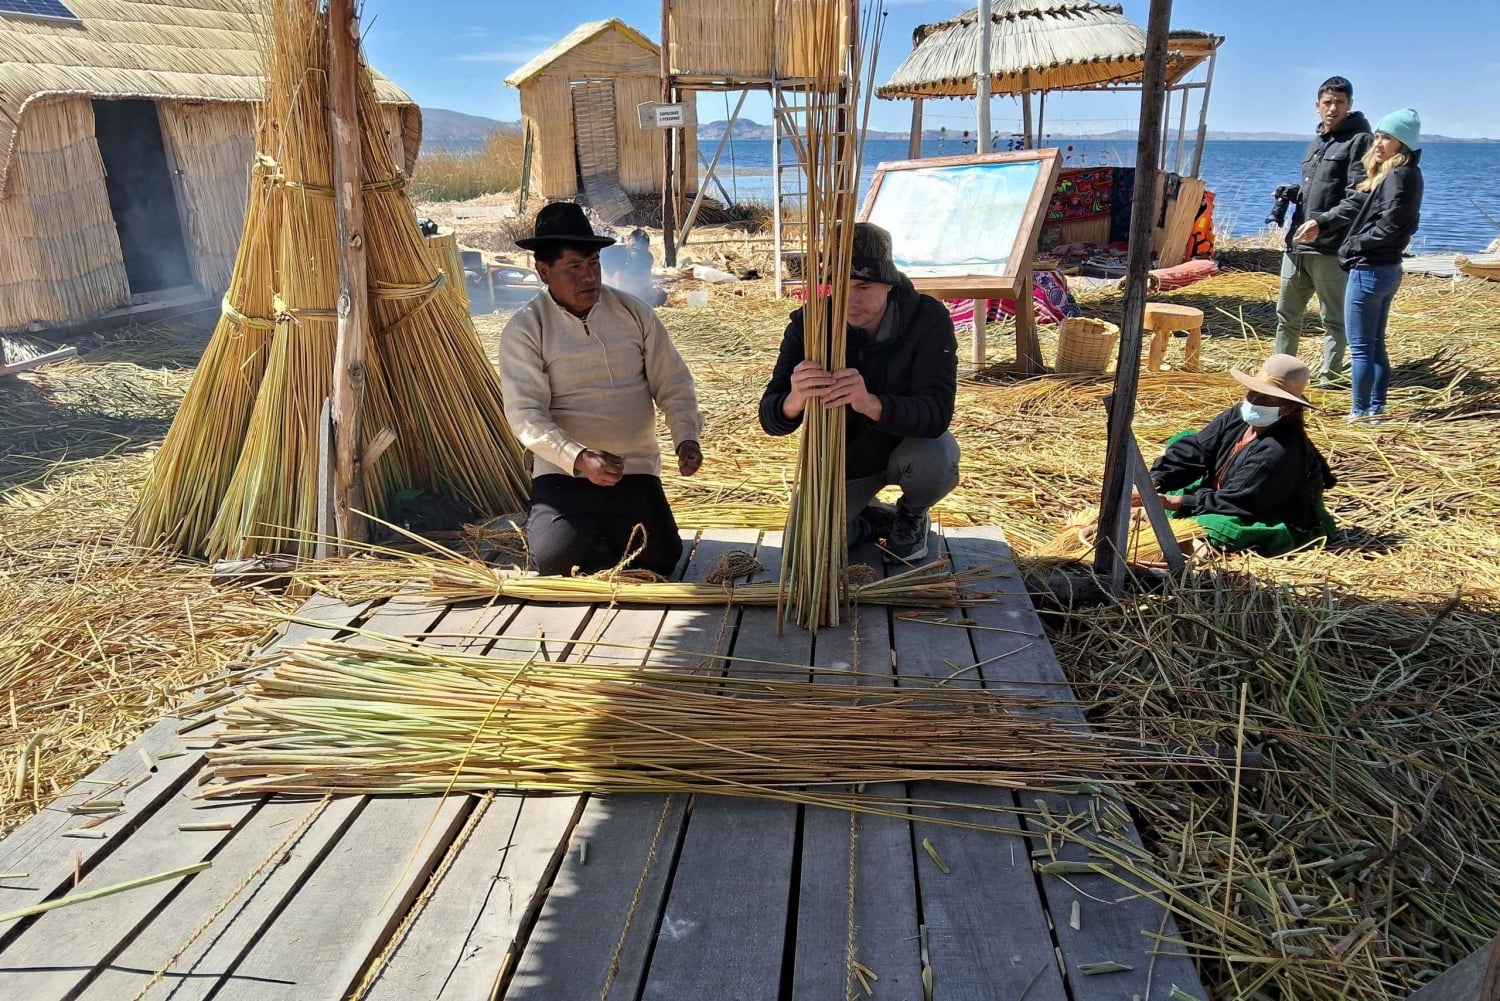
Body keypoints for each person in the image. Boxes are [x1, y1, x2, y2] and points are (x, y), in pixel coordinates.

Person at [500, 202, 704, 577]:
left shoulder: (634, 313)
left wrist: (686, 438)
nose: (588, 277)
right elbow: (525, 415)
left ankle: (606, 535)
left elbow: (672, 381)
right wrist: (578, 457)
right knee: (554, 560)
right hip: (563, 474)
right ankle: (590, 534)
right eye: (574, 267)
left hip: (634, 468)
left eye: (593, 263)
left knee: (661, 558)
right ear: (543, 271)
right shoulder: (526, 328)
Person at [758, 222, 959, 562]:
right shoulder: (809, 325)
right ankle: (871, 521)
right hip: (844, 459)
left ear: (888, 284)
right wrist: (794, 401)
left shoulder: (927, 319)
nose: (850, 300)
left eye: (863, 285)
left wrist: (871, 404)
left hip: (909, 446)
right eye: (839, 285)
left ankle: (912, 514)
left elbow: (937, 414)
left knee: (937, 456)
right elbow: (770, 417)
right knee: (803, 548)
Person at [1145, 354, 1337, 556]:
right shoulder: (1238, 415)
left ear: (1288, 408)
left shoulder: (1278, 452)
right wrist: (1155, 481)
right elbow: (1198, 448)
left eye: (1267, 398)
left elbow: (1240, 501)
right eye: (1253, 393)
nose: (1255, 401)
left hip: (1261, 508)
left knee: (1220, 527)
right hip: (1223, 491)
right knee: (1184, 439)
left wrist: (1177, 502)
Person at [1272, 76, 1374, 387]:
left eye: (1339, 103)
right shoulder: (1318, 141)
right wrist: (1294, 195)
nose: (1332, 108)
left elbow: (1360, 195)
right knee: (1286, 316)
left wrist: (1323, 222)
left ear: (1350, 105)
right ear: (1317, 106)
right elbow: (1322, 188)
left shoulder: (1360, 141)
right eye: (1327, 102)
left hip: (1330, 247)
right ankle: (1278, 377)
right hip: (1298, 246)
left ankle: (1329, 378)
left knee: (1334, 320)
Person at [1339, 109, 1424, 423]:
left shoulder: (1398, 176)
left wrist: (1352, 245)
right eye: (1377, 136)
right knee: (1375, 344)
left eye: (1387, 137)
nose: (1378, 143)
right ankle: (1377, 408)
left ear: (1402, 142)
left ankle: (1360, 411)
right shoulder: (1408, 173)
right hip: (1389, 269)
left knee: (1361, 348)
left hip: (1370, 270)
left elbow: (1389, 226)